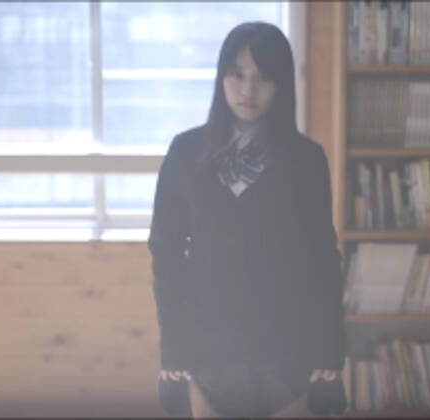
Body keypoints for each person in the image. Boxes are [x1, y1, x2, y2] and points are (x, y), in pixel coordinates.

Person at [148, 21, 347, 418]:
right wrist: (172, 342)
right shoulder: (186, 151)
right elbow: (165, 252)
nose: (247, 90)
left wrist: (330, 343)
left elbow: (323, 257)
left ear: (282, 85)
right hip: (207, 344)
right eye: (236, 74)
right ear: (221, 78)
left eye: (263, 77)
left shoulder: (306, 158)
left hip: (285, 343)